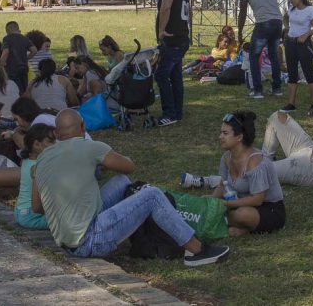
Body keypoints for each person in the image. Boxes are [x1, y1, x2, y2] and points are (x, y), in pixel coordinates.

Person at [32, 109, 229, 266]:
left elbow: (38, 208)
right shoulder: (90, 147)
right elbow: (129, 166)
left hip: (67, 242)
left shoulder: (41, 160)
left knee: (121, 182)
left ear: (56, 133)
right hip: (89, 240)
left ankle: (137, 232)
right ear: (83, 127)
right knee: (151, 195)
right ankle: (197, 250)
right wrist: (99, 161)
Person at [211, 111, 285, 237]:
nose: (220, 137)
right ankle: (236, 227)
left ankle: (227, 224)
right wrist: (211, 202)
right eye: (220, 133)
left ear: (239, 137)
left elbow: (257, 200)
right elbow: (222, 185)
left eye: (225, 133)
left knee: (242, 214)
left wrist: (226, 204)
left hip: (269, 209)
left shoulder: (256, 162)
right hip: (239, 204)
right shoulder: (226, 157)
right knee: (207, 203)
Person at [149, 0, 190, 126]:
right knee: (175, 76)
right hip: (181, 39)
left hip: (172, 41)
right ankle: (177, 112)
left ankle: (170, 114)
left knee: (161, 75)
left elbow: (166, 7)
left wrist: (161, 30)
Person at [237, 0, 283, 99]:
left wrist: (240, 31)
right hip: (278, 22)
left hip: (263, 23)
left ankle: (257, 90)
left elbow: (243, 12)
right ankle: (277, 88)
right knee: (273, 55)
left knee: (254, 55)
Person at [280, 0, 313, 113]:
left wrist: (306, 35)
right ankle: (291, 103)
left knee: (308, 73)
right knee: (292, 73)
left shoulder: (310, 10)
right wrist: (286, 29)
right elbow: (285, 17)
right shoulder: (291, 9)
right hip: (290, 43)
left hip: (303, 44)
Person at [16, 124, 53, 229]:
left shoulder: (27, 160)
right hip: (32, 216)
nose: (56, 145)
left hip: (21, 212)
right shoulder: (41, 165)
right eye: (51, 142)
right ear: (37, 144)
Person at [1, 21, 37, 95]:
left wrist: (1, 63)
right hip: (24, 68)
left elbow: (6, 51)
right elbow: (34, 50)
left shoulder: (7, 38)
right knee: (24, 89)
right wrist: (26, 58)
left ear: (7, 31)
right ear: (18, 29)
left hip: (12, 69)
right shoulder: (24, 38)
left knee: (15, 90)